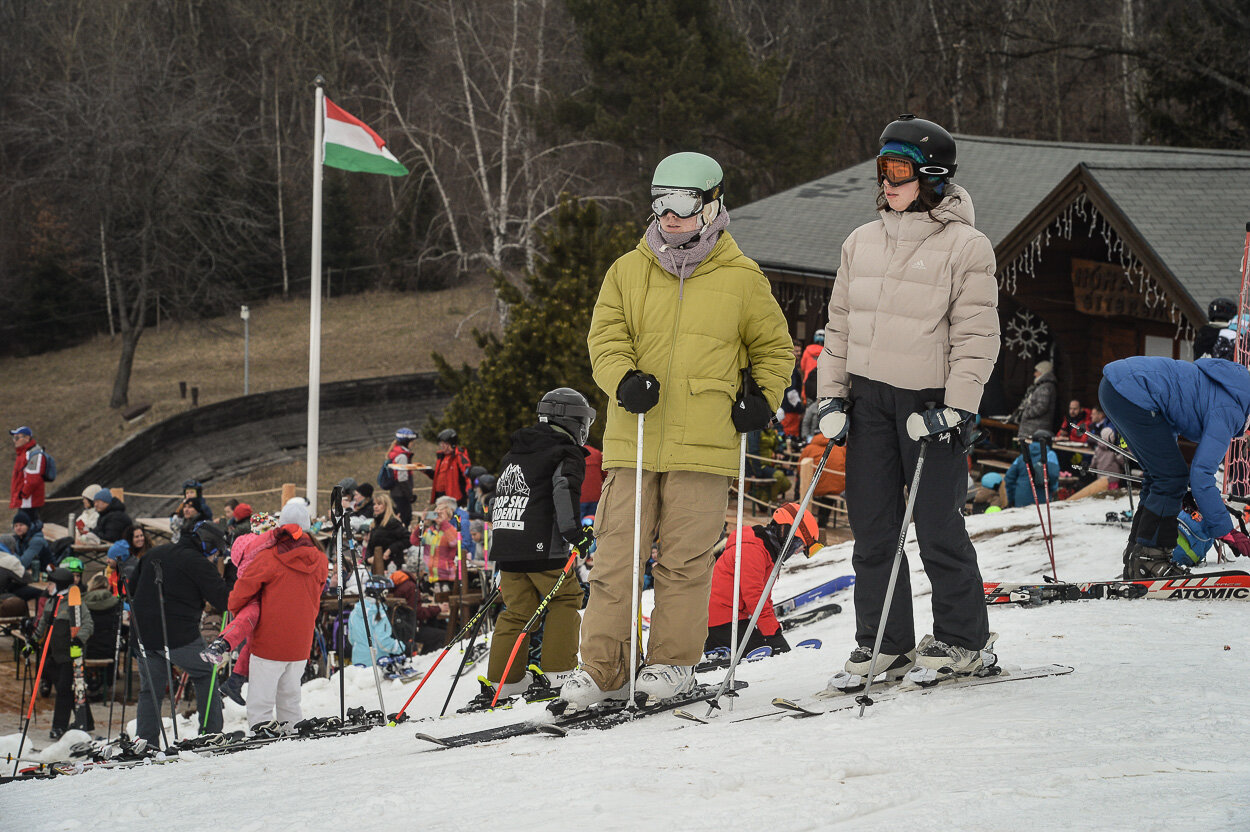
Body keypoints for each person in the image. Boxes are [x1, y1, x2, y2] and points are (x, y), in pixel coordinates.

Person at [565, 149, 793, 709]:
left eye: (683, 206)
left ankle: (670, 665)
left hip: (706, 442)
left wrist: (761, 399)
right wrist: (622, 379)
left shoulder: (743, 279)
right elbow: (605, 339)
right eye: (660, 205)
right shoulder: (627, 270)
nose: (669, 217)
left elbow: (773, 348)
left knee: (685, 563)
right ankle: (603, 670)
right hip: (634, 438)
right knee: (617, 558)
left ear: (712, 206)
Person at [816, 114, 1000, 689]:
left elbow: (977, 336)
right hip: (868, 401)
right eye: (882, 169)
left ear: (934, 176)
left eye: (900, 170)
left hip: (930, 407)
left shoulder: (966, 247)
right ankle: (884, 643)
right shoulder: (860, 241)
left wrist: (958, 407)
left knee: (936, 524)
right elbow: (838, 326)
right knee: (872, 529)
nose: (887, 182)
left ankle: (964, 640)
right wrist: (831, 398)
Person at [481, 388, 596, 700]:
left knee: (518, 609)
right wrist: (575, 534)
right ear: (572, 421)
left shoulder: (514, 453)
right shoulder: (564, 452)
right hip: (542, 545)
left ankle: (506, 682)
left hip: (507, 544)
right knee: (565, 598)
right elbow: (563, 490)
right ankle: (559, 673)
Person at [1099, 356, 1250, 578]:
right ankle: (1150, 560)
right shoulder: (1231, 409)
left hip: (1115, 387)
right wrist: (1225, 530)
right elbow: (1202, 475)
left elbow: (1168, 414)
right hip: (1130, 391)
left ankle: (1137, 555)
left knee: (1162, 475)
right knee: (1171, 477)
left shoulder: (1227, 391)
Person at [228, 499, 327, 730]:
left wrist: (242, 614)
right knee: (291, 702)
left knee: (260, 704)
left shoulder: (268, 557)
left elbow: (240, 594)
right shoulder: (321, 559)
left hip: (269, 642)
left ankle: (263, 750)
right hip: (301, 641)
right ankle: (290, 746)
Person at [128, 520, 229, 744]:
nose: (215, 557)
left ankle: (146, 741)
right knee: (207, 672)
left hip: (142, 634)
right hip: (178, 636)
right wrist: (231, 574)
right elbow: (224, 600)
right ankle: (211, 733)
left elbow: (130, 589)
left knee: (151, 690)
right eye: (217, 552)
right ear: (209, 545)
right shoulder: (197, 562)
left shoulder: (154, 552)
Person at [706, 503, 820, 656]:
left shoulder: (767, 550)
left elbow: (763, 597)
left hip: (733, 617)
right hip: (721, 620)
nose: (796, 552)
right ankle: (717, 651)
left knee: (765, 647)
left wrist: (772, 630)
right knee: (762, 653)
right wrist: (774, 635)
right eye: (799, 546)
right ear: (786, 532)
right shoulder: (753, 549)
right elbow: (755, 597)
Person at [32, 567, 93, 739]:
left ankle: (59, 726)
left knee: (64, 690)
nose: (48, 587)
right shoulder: (52, 601)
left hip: (70, 654)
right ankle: (86, 720)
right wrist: (32, 641)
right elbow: (43, 624)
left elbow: (88, 624)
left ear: (59, 585)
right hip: (54, 654)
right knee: (67, 689)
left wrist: (79, 639)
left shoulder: (75, 603)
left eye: (50, 583)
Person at [799, 432, 847, 528]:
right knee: (829, 490)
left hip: (814, 486)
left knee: (801, 482)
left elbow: (800, 467)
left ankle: (802, 518)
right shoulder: (840, 449)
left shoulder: (809, 448)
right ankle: (822, 522)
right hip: (837, 486)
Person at [1004, 436, 1060, 507]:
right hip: (1041, 500)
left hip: (1020, 499)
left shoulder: (1022, 456)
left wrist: (1011, 498)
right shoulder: (1050, 455)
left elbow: (1009, 477)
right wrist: (1052, 489)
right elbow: (1053, 475)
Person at [9, 426, 49, 524]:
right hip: (24, 501)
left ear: (27, 438)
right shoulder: (23, 453)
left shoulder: (34, 454)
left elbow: (33, 479)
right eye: (14, 438)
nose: (15, 440)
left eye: (17, 437)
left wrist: (23, 494)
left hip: (29, 501)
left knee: (28, 527)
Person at [1011, 361, 1058, 440]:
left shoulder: (1044, 388)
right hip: (1033, 428)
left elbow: (1041, 407)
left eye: (1037, 371)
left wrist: (1025, 413)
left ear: (1043, 372)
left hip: (1035, 428)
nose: (1034, 374)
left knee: (1031, 450)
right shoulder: (1044, 386)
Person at [427, 428, 472, 507]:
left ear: (451, 444)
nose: (441, 446)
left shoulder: (460, 457)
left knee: (451, 518)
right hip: (440, 496)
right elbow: (440, 476)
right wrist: (427, 471)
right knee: (431, 516)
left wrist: (468, 495)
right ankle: (423, 519)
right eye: (441, 443)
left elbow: (468, 476)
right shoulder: (442, 457)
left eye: (444, 443)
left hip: (454, 499)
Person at [367, 492, 409, 569]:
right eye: (374, 504)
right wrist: (368, 558)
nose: (375, 507)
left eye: (379, 504)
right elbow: (370, 545)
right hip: (377, 566)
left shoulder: (393, 522)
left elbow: (408, 539)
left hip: (392, 566)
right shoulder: (375, 523)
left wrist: (390, 550)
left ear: (386, 506)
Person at [387, 427, 418, 527]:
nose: (413, 444)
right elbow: (402, 478)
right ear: (406, 442)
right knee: (405, 518)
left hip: (396, 492)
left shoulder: (396, 452)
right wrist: (410, 496)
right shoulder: (402, 456)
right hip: (401, 493)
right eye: (412, 441)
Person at [12, 510, 51, 574]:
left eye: (21, 525)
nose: (18, 528)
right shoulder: (18, 539)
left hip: (47, 575)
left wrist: (8, 550)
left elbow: (22, 564)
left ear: (28, 526)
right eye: (16, 526)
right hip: (31, 573)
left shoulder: (37, 541)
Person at [580, 444, 603, 518]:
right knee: (593, 524)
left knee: (578, 526)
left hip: (579, 497)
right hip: (595, 496)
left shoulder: (573, 453)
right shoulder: (597, 453)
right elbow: (605, 474)